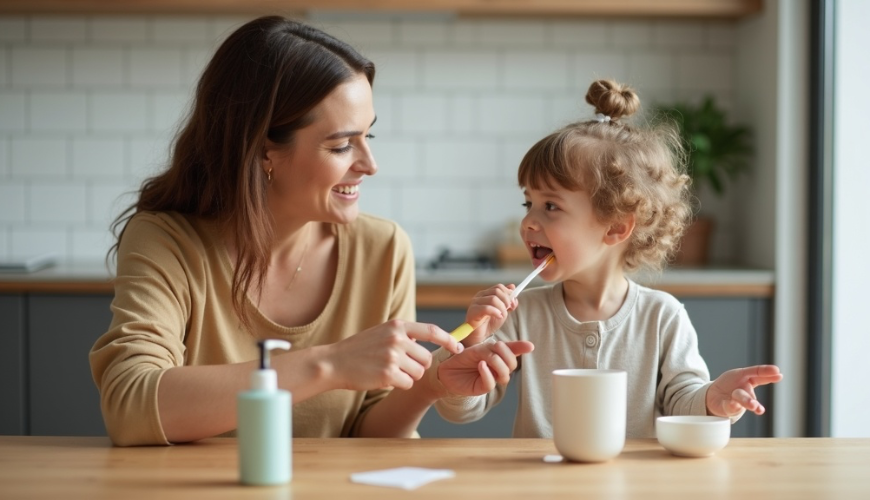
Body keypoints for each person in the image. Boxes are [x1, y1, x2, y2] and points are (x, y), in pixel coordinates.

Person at [89, 15, 529, 446]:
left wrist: (430, 384)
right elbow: (131, 405)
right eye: (340, 145)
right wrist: (330, 364)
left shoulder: (382, 248)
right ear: (264, 151)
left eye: (367, 138)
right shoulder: (167, 241)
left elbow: (366, 436)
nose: (369, 165)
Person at [432, 79, 783, 439]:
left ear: (616, 227)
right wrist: (472, 346)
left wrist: (713, 399)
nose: (528, 222)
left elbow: (682, 400)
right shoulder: (522, 314)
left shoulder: (662, 316)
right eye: (529, 203)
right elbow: (462, 410)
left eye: (550, 206)